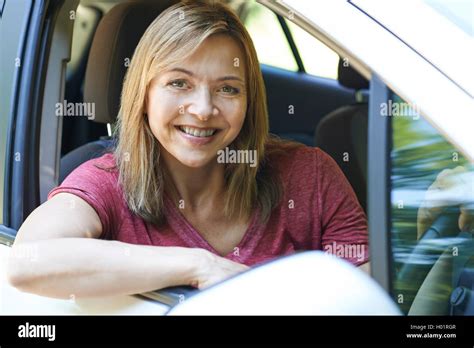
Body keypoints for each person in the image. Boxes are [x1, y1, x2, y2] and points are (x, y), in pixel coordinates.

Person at [7, 0, 369, 299]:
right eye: (179, 83)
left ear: (249, 101)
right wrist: (200, 265)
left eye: (228, 89)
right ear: (144, 95)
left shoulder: (309, 174)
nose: (203, 108)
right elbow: (27, 261)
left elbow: (371, 293)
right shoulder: (106, 181)